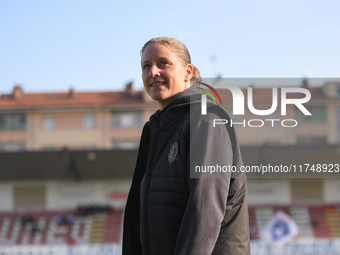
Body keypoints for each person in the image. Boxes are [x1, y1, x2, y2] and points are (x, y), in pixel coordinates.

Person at [123, 36, 250, 255]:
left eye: (163, 63)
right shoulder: (156, 129)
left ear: (187, 72)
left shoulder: (207, 118)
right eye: (146, 66)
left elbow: (205, 210)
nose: (153, 72)